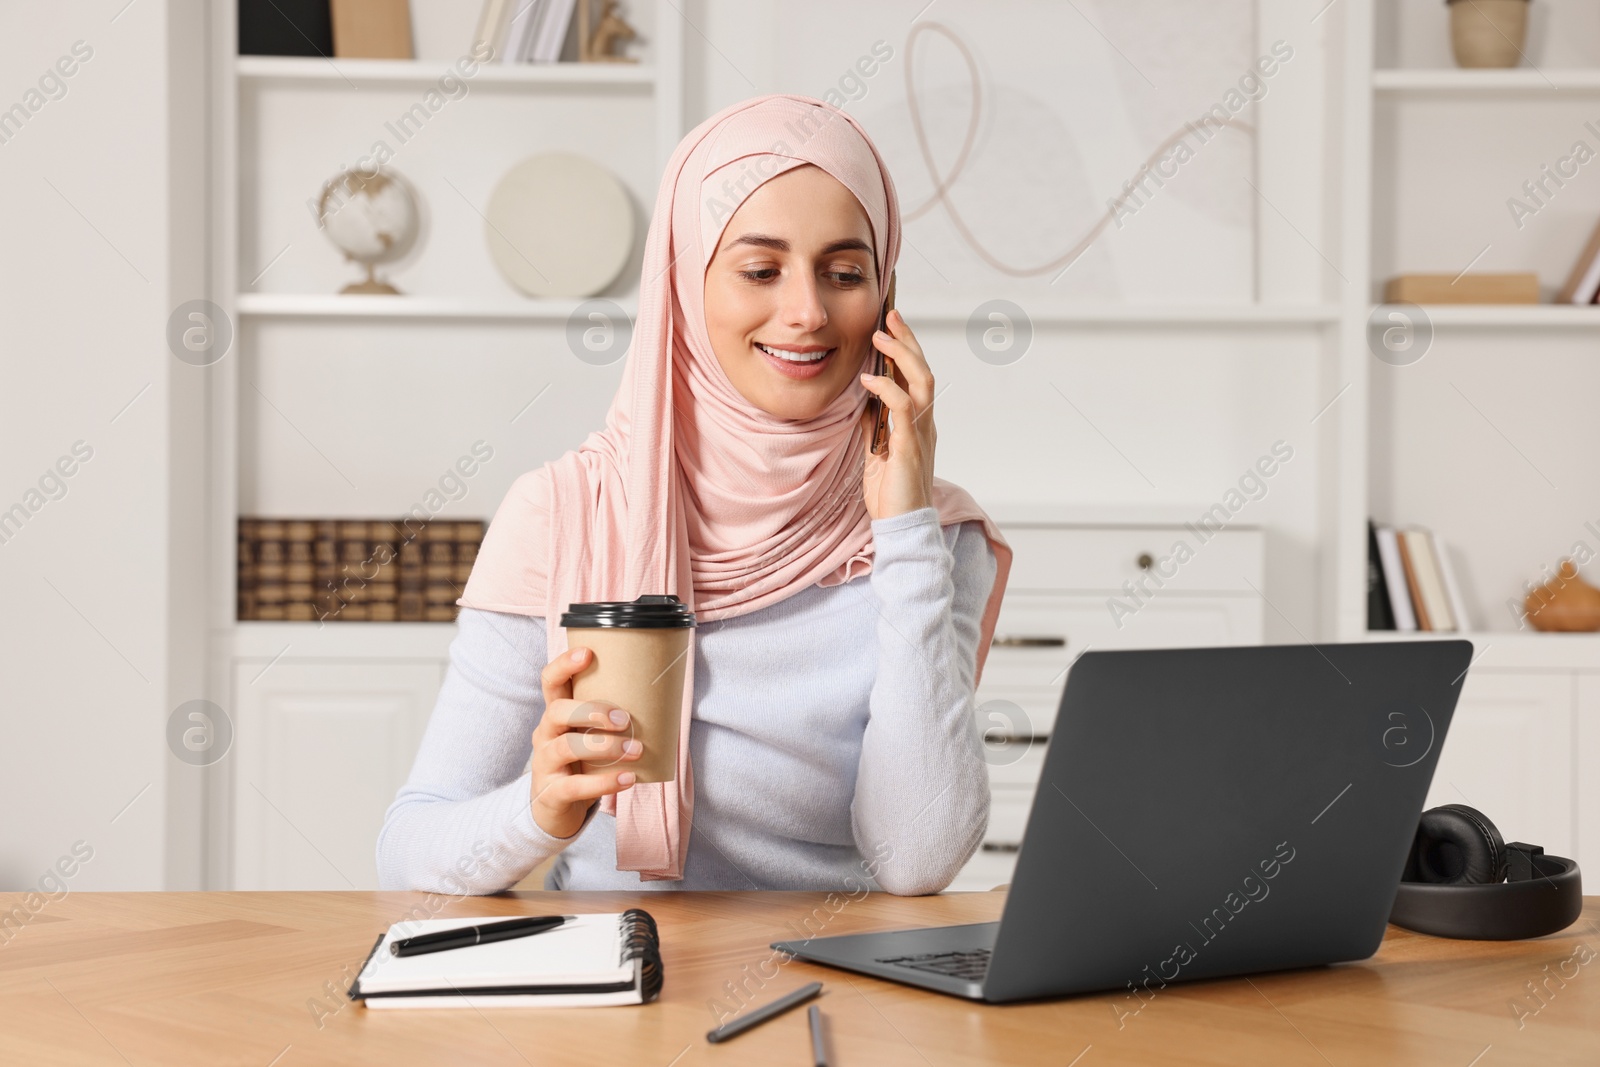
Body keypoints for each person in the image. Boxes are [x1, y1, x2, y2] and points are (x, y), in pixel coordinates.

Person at [377, 94, 1014, 895]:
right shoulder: (564, 516)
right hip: (620, 978)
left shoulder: (931, 532)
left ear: (885, 294)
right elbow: (408, 848)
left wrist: (906, 530)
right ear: (683, 282)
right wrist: (537, 810)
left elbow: (917, 857)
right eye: (760, 269)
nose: (808, 311)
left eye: (845, 273)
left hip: (842, 977)